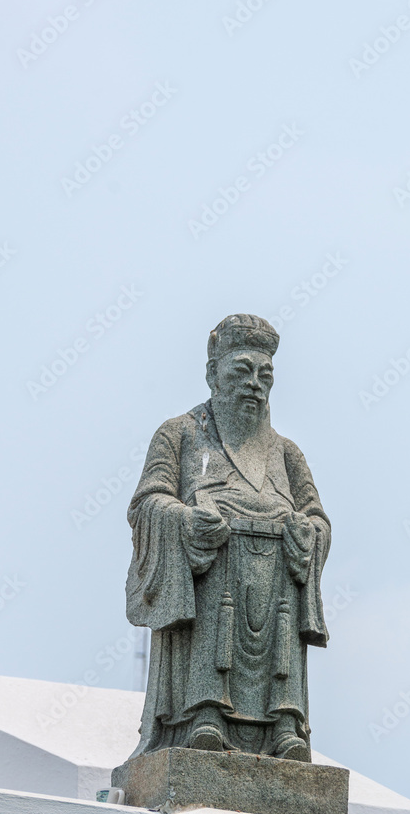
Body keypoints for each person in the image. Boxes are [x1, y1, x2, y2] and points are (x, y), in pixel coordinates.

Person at [125, 313, 331, 760]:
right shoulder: (179, 435)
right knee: (216, 605)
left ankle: (284, 727)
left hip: (275, 575)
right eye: (242, 371)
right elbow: (146, 504)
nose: (255, 384)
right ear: (212, 374)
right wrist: (184, 522)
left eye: (265, 375)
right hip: (215, 569)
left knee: (280, 638)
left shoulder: (286, 453)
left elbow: (318, 519)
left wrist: (306, 533)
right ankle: (204, 716)